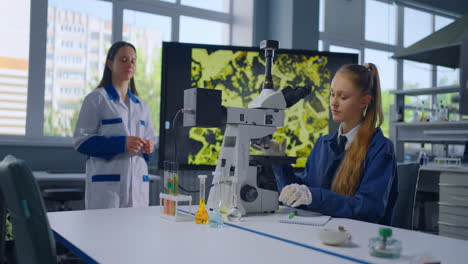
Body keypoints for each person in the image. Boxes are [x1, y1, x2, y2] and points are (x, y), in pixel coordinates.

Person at [272, 63, 398, 225]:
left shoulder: (381, 148)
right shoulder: (323, 144)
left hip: (360, 238)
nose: (334, 103)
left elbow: (369, 208)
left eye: (343, 97)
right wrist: (278, 161)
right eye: (332, 94)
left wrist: (313, 196)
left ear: (365, 100)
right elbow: (304, 193)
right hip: (321, 233)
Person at [73, 41, 156, 209]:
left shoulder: (141, 106)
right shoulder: (96, 99)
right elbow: (81, 142)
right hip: (107, 192)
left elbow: (150, 144)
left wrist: (149, 147)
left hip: (137, 189)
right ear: (110, 64)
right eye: (123, 59)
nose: (129, 64)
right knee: (104, 233)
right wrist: (121, 143)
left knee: (136, 233)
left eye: (133, 60)